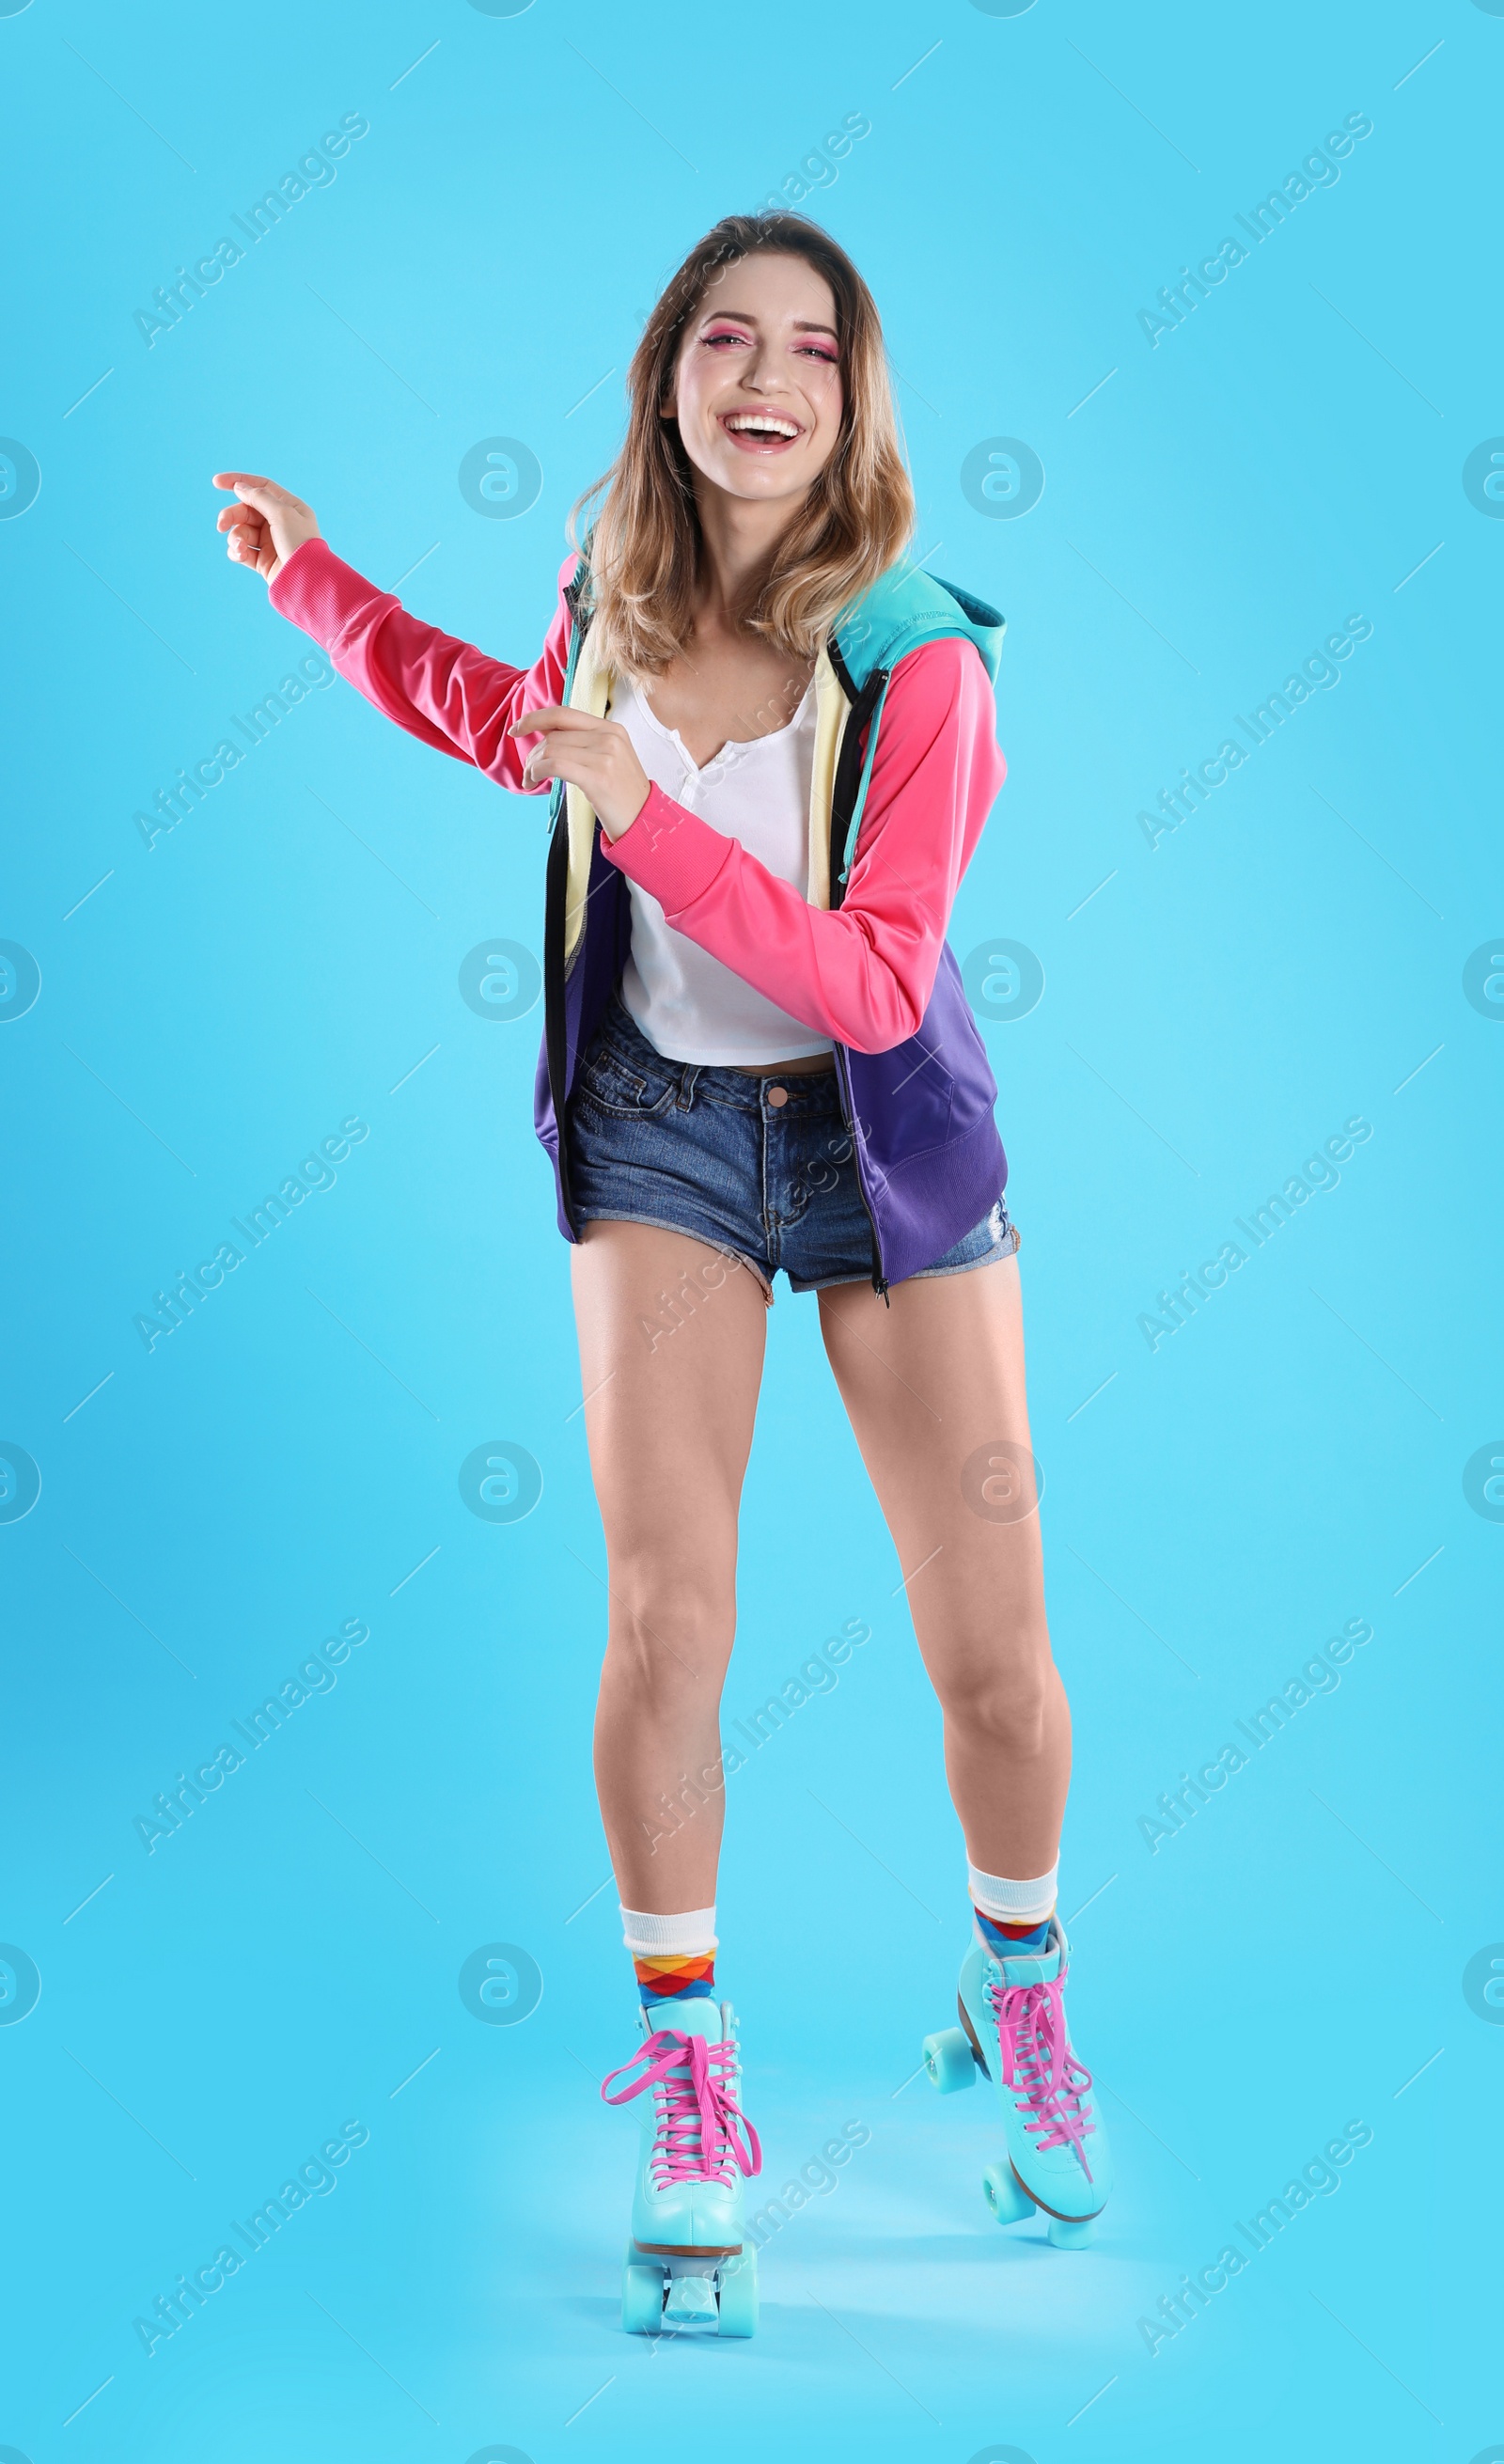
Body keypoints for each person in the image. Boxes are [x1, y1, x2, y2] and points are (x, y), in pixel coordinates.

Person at [212, 210, 1109, 2339]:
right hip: (662, 1142)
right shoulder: (606, 603)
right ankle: (693, 2090)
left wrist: (645, 824)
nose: (765, 371)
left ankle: (1023, 1990)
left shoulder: (917, 654)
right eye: (726, 335)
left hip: (885, 1157)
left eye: (811, 343)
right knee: (663, 1614)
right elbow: (502, 720)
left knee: (990, 1654)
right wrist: (310, 580)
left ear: (850, 399)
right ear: (672, 377)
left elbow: (879, 983)